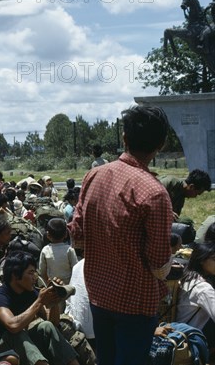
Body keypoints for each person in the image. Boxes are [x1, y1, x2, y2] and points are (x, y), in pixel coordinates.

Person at [68, 104, 173, 365]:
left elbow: (77, 237)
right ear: (160, 145)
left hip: (99, 295)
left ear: (124, 138)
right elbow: (159, 263)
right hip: (136, 302)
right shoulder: (155, 193)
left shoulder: (94, 175)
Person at [0, 251, 79, 365]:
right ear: (15, 275)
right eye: (30, 273)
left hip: (16, 345)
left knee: (45, 326)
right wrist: (40, 301)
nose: (35, 277)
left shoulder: (29, 292)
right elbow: (13, 326)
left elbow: (53, 322)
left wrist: (54, 301)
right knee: (17, 334)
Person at [176, 242, 215, 350]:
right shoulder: (203, 289)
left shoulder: (186, 276)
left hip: (178, 332)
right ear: (202, 260)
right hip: (190, 341)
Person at [39, 218, 77, 284]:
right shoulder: (69, 249)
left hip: (53, 284)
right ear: (66, 234)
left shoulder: (45, 250)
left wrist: (47, 283)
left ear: (48, 235)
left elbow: (42, 271)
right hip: (68, 285)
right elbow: (76, 268)